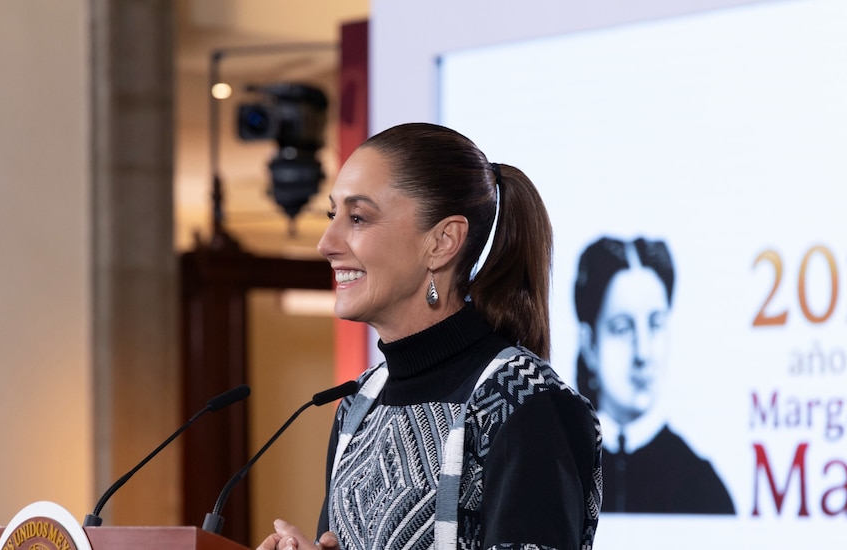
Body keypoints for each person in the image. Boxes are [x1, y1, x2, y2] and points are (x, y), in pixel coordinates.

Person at [257, 123, 603, 550]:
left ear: (442, 242)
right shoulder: (357, 403)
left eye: (358, 217)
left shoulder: (529, 403)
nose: (326, 243)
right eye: (333, 216)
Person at [574, 236, 734, 515]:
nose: (643, 354)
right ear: (590, 344)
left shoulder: (702, 485)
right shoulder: (562, 470)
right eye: (623, 329)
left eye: (655, 324)